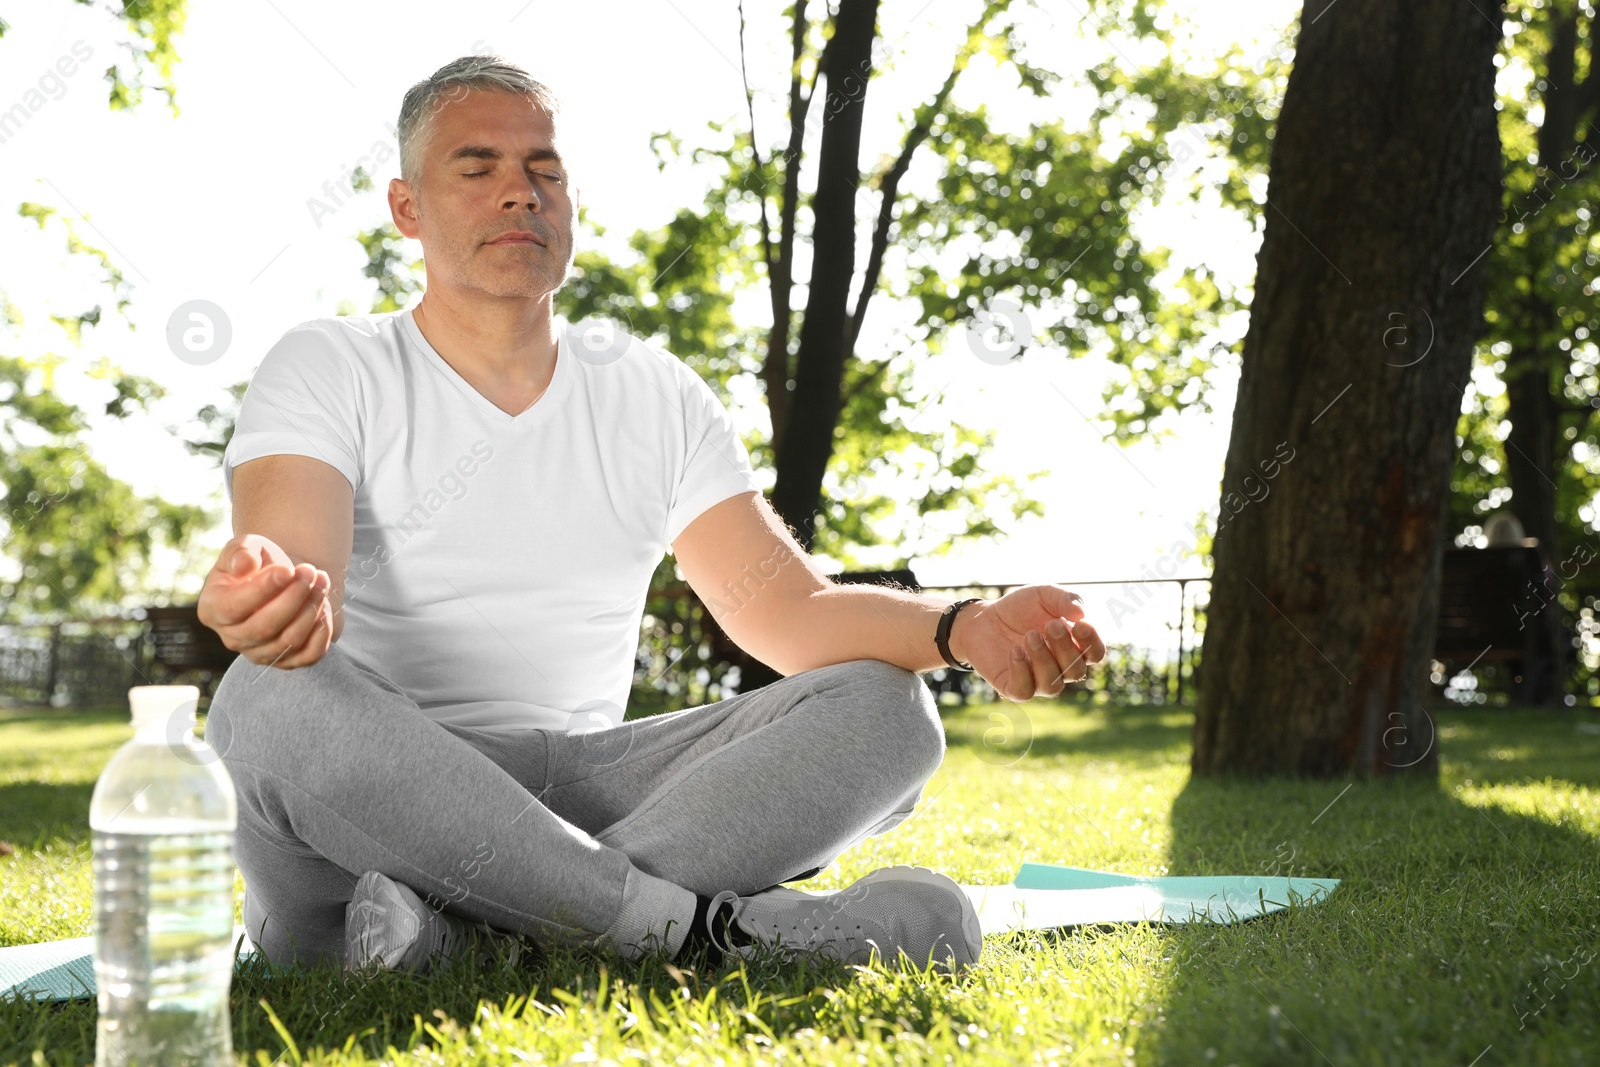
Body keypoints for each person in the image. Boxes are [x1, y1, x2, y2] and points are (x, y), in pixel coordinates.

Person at [197, 55, 1105, 978]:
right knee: (269, 694)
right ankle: (690, 932)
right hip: (380, 815)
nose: (521, 193)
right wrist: (273, 596)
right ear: (407, 208)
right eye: (478, 169)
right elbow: (298, 578)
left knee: (889, 707)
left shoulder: (652, 391)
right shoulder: (329, 363)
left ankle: (487, 943)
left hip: (595, 797)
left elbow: (790, 615)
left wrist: (964, 626)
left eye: (544, 171)